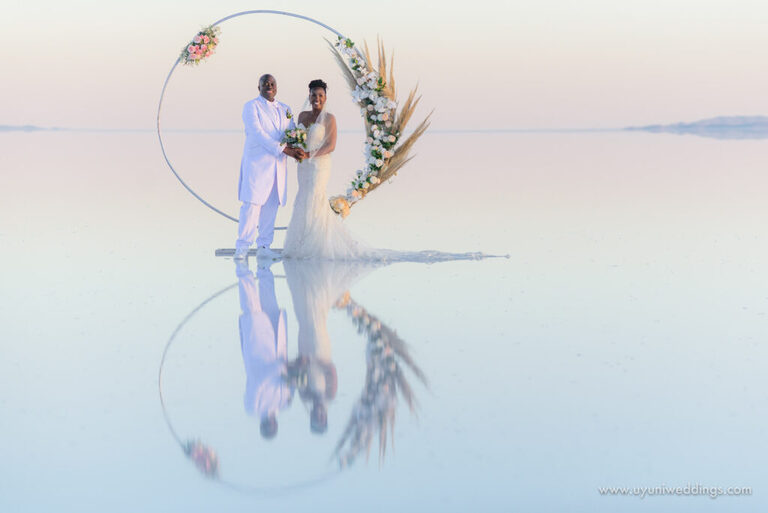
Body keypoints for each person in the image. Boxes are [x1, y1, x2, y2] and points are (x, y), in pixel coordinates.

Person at [282, 79, 367, 260]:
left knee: (315, 196)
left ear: (325, 97)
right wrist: (295, 148)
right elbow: (296, 139)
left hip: (319, 165)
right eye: (314, 95)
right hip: (303, 166)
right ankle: (301, 242)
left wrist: (309, 154)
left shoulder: (330, 118)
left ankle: (318, 244)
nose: (317, 98)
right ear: (309, 96)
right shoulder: (302, 116)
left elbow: (331, 145)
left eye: (320, 95)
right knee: (303, 197)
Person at [234, 74, 306, 261]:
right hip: (257, 165)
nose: (269, 86)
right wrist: (285, 149)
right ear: (258, 88)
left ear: (276, 86)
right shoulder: (251, 106)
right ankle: (242, 247)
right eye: (265, 84)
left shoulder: (285, 108)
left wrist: (298, 146)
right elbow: (258, 133)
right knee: (252, 205)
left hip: (278, 167)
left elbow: (291, 132)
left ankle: (264, 245)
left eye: (272, 83)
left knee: (271, 206)